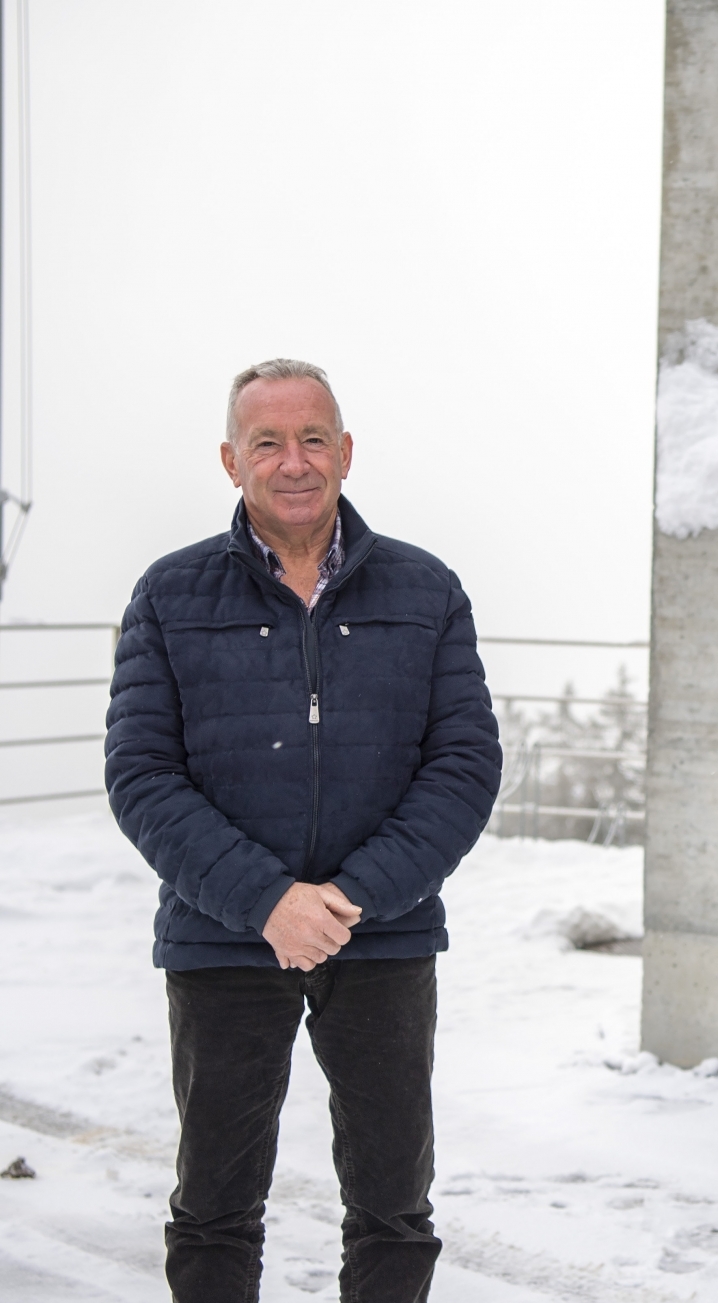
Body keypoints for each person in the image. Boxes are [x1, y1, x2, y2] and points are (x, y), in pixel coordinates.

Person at [105, 359, 502, 1302]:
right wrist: (266, 899)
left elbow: (464, 764)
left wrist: (350, 896)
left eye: (313, 438)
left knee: (394, 1208)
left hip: (384, 937)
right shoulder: (171, 594)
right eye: (268, 442)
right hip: (222, 936)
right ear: (231, 460)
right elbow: (141, 773)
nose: (294, 461)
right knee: (214, 1208)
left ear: (346, 452)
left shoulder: (425, 589)